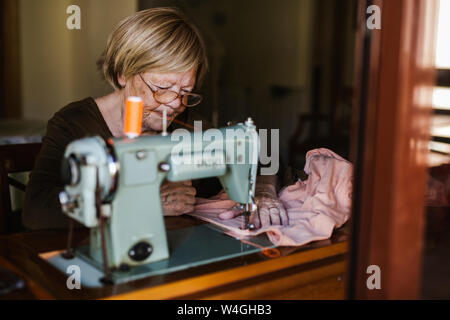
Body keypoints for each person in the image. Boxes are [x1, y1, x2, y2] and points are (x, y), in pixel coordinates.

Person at [22, 7, 287, 230]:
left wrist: (263, 190)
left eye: (186, 92)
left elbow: (262, 157)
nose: (175, 104)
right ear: (123, 74)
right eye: (161, 88)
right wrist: (140, 201)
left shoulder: (190, 124)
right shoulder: (74, 123)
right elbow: (36, 210)